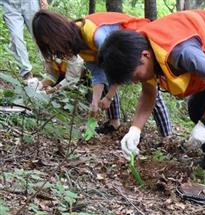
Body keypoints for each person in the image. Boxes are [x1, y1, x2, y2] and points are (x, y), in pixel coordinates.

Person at [97, 9, 205, 191]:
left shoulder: (182, 53)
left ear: (145, 56)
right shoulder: (145, 52)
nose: (135, 80)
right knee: (196, 106)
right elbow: (148, 94)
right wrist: (135, 130)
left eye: (134, 75)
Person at [31, 10, 172, 138]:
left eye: (51, 42)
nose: (54, 47)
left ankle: (167, 136)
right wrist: (95, 103)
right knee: (107, 80)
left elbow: (117, 66)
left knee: (150, 89)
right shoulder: (79, 43)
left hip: (138, 45)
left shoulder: (94, 35)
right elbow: (98, 73)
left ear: (57, 33)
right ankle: (113, 123)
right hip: (122, 56)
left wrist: (109, 97)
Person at [1, 0, 47, 79]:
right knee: (16, 38)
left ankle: (51, 69)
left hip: (30, 3)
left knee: (39, 35)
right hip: (9, 5)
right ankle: (26, 73)